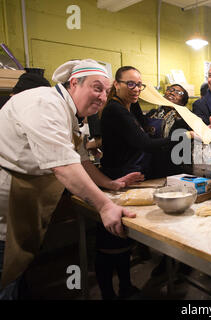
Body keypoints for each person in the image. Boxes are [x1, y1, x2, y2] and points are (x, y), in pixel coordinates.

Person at [0, 59, 143, 300]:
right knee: (6, 273)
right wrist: (105, 206)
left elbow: (80, 159)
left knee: (18, 272)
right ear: (74, 83)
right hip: (8, 203)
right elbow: (64, 165)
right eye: (97, 88)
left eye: (106, 92)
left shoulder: (71, 113)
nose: (102, 97)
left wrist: (110, 184)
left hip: (25, 204)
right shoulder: (44, 103)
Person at [98, 66, 182, 299]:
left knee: (123, 238)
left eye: (140, 85)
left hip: (133, 175)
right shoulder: (115, 110)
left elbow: (147, 128)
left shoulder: (131, 106)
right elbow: (143, 142)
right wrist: (182, 137)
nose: (136, 90)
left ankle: (125, 287)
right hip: (116, 176)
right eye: (131, 84)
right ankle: (107, 294)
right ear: (117, 84)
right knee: (109, 241)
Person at [146, 84, 191, 176]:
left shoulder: (186, 118)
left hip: (173, 165)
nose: (172, 92)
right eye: (170, 89)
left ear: (183, 102)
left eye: (178, 92)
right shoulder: (152, 113)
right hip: (149, 162)